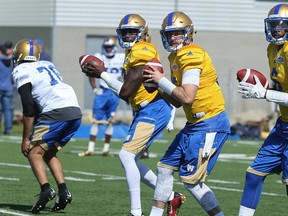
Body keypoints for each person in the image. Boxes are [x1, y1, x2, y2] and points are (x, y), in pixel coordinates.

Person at [81, 14, 182, 216]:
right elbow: (126, 90)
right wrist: (103, 75)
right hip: (145, 109)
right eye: (125, 31)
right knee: (130, 159)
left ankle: (136, 212)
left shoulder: (142, 49)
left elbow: (125, 92)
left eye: (132, 31)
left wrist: (102, 73)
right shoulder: (131, 52)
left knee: (126, 156)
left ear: (142, 33)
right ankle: (171, 197)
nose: (128, 35)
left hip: (153, 108)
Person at [142, 11, 230, 216]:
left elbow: (187, 97)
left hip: (209, 122)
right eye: (170, 34)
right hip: (194, 124)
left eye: (178, 33)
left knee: (192, 182)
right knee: (164, 169)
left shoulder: (191, 53)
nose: (173, 38)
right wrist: (158, 87)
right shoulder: (175, 56)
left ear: (188, 33)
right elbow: (178, 102)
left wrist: (160, 79)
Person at [12, 39, 82, 213]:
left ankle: (46, 190)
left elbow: (28, 108)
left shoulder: (21, 69)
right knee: (49, 152)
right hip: (74, 109)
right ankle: (64, 191)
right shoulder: (47, 64)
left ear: (19, 55)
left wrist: (26, 139)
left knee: (34, 152)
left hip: (56, 111)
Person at [237, 4, 288, 216]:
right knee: (254, 175)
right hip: (283, 126)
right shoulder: (272, 49)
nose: (276, 29)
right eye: (273, 25)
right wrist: (267, 90)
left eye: (281, 25)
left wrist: (265, 94)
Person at [78, 36, 124, 157]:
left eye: (110, 47)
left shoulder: (121, 58)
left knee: (110, 121)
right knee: (96, 120)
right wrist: (95, 89)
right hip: (102, 92)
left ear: (115, 47)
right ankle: (90, 148)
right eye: (106, 47)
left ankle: (106, 149)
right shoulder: (99, 56)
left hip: (114, 92)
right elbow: (90, 73)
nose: (108, 49)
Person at [0, 44, 14, 134]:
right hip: (8, 87)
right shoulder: (11, 61)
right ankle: (8, 129)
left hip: (0, 87)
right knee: (7, 110)